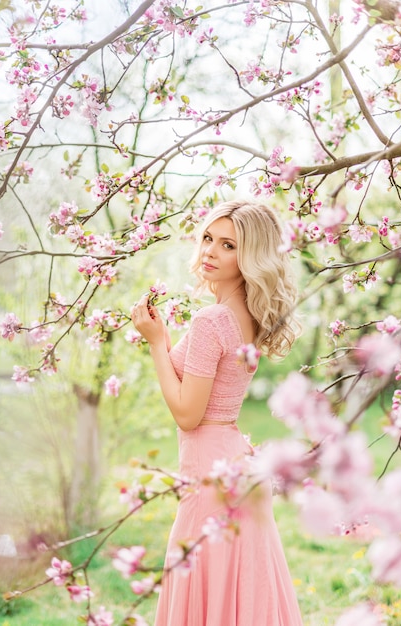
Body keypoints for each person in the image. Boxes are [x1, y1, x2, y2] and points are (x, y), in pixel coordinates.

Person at [131, 200, 303, 626]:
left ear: (249, 258)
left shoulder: (212, 321)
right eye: (208, 237)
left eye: (228, 245)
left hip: (210, 472)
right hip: (232, 463)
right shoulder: (249, 316)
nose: (210, 250)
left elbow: (189, 414)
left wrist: (156, 342)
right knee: (240, 587)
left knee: (207, 584)